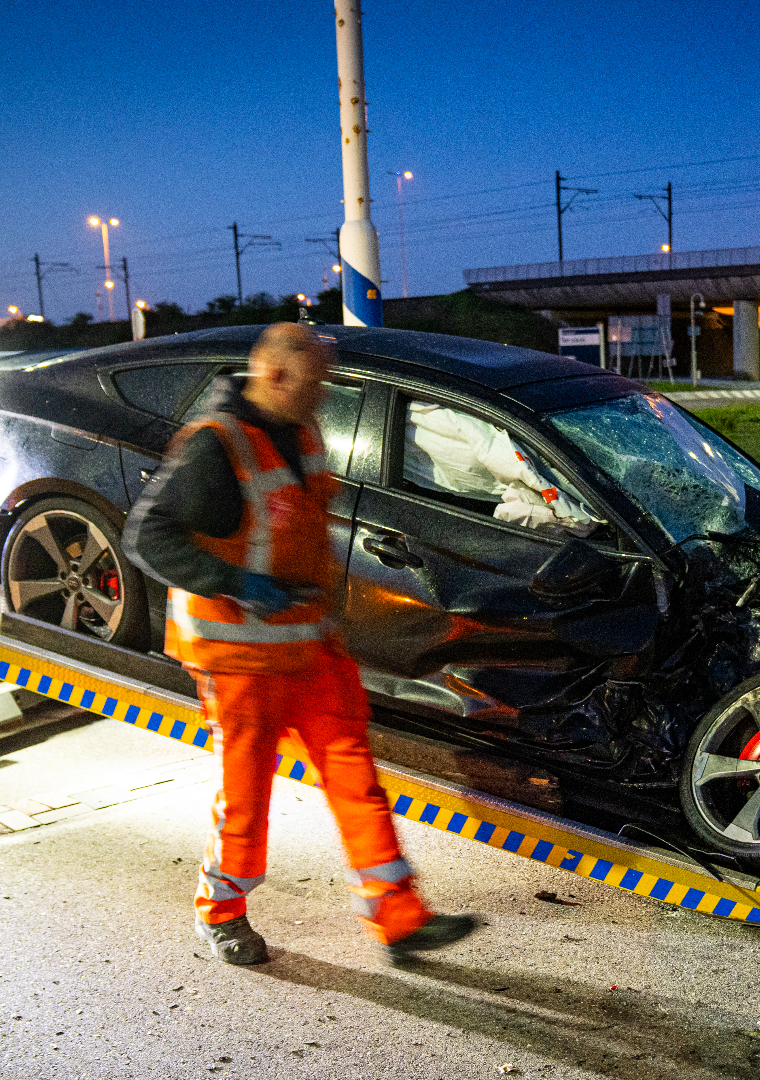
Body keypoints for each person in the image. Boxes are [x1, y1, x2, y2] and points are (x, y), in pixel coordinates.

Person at [122, 322, 477, 965]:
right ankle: (221, 911)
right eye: (314, 387)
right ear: (277, 377)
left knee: (355, 777)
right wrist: (235, 582)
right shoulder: (214, 446)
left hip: (311, 647)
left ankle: (399, 918)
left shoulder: (299, 432)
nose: (323, 399)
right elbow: (147, 537)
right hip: (240, 659)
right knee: (247, 795)